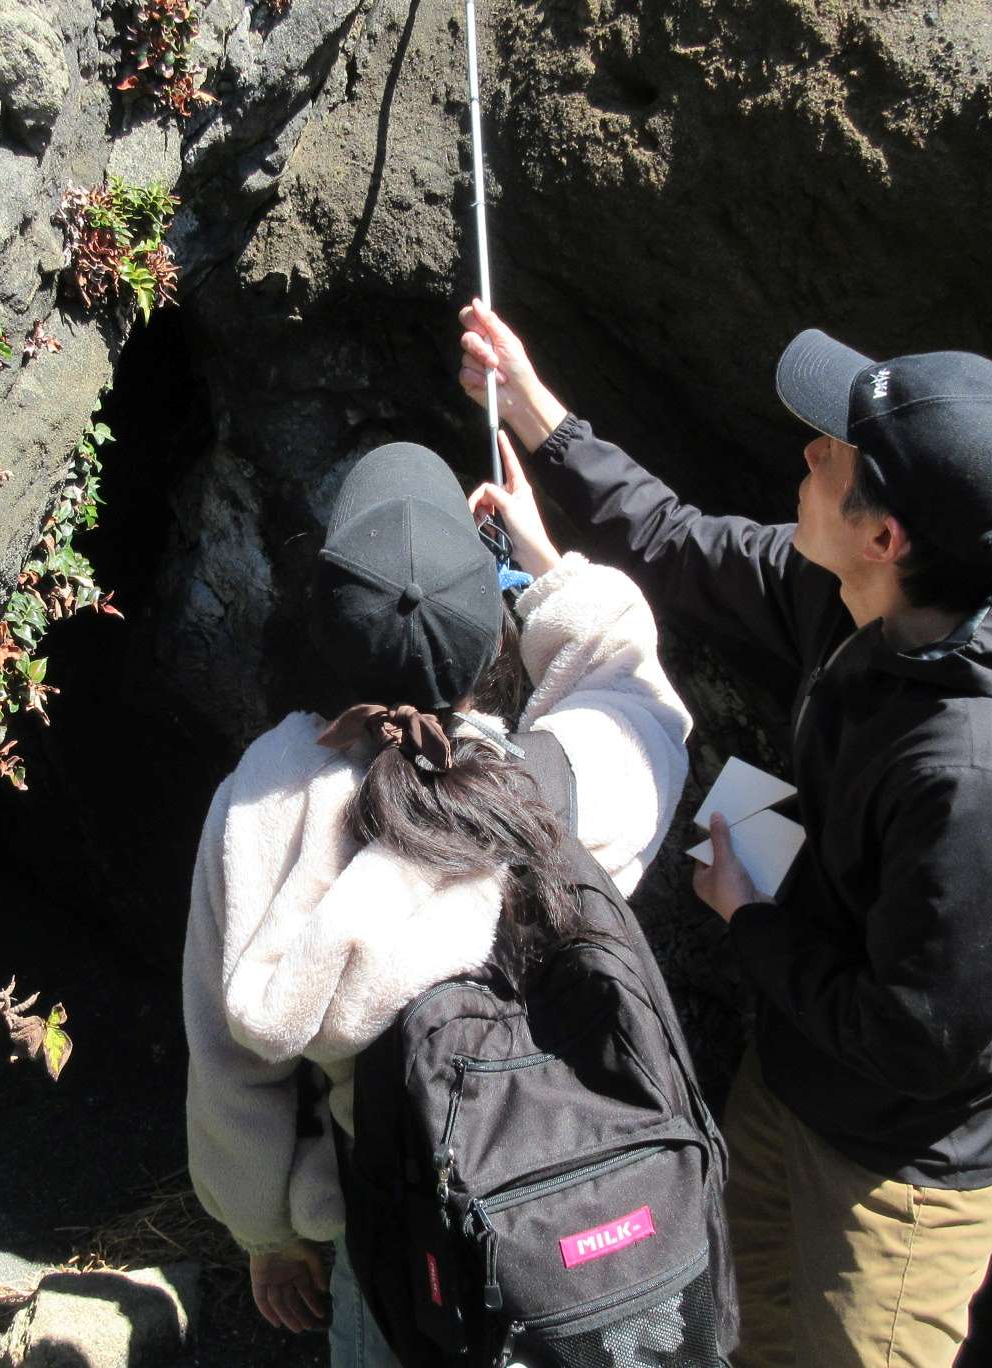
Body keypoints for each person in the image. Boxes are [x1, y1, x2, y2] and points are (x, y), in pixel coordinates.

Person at [456, 302, 992, 1368]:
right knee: (741, 1333)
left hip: (897, 1176)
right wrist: (532, 416)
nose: (805, 452)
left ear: (883, 534)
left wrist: (749, 921)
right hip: (790, 1076)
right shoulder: (860, 601)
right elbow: (675, 542)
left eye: (834, 450)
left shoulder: (976, 787)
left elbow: (919, 1042)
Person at [182, 439, 696, 1365]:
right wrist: (541, 560)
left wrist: (271, 1234)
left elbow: (234, 1071)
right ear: (489, 630)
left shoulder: (268, 803)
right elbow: (641, 695)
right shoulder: (556, 788)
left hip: (396, 1219)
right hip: (574, 1210)